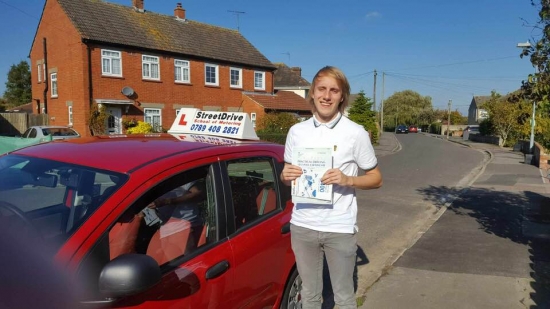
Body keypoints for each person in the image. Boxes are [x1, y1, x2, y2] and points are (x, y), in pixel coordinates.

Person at [280, 66, 383, 309]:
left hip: (339, 227)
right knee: (310, 295)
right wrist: (285, 175)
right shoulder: (296, 132)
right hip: (303, 225)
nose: (327, 96)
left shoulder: (356, 133)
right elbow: (288, 176)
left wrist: (348, 180)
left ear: (342, 96)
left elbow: (376, 178)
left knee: (344, 298)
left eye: (334, 91)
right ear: (313, 93)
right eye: (322, 89)